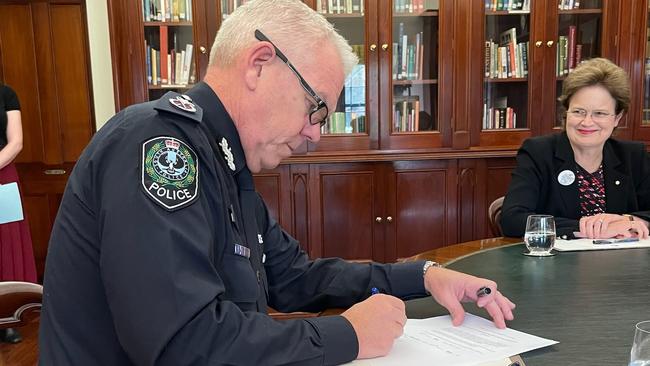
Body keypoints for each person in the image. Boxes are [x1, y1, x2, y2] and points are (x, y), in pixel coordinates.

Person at [39, 1, 515, 364]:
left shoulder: (227, 161)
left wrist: (424, 275)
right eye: (316, 108)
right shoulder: (161, 145)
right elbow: (181, 343)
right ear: (259, 63)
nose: (315, 133)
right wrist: (347, 336)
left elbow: (295, 277)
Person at [501, 57, 650, 240]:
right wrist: (590, 228)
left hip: (623, 264)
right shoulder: (538, 153)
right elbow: (512, 219)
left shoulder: (633, 156)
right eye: (579, 111)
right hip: (557, 265)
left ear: (617, 118)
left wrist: (626, 220)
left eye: (600, 113)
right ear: (566, 112)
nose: (587, 122)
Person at [0, 83, 37, 344]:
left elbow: (16, 142)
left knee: (6, 245)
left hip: (3, 177)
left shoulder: (6, 94)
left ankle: (5, 318)